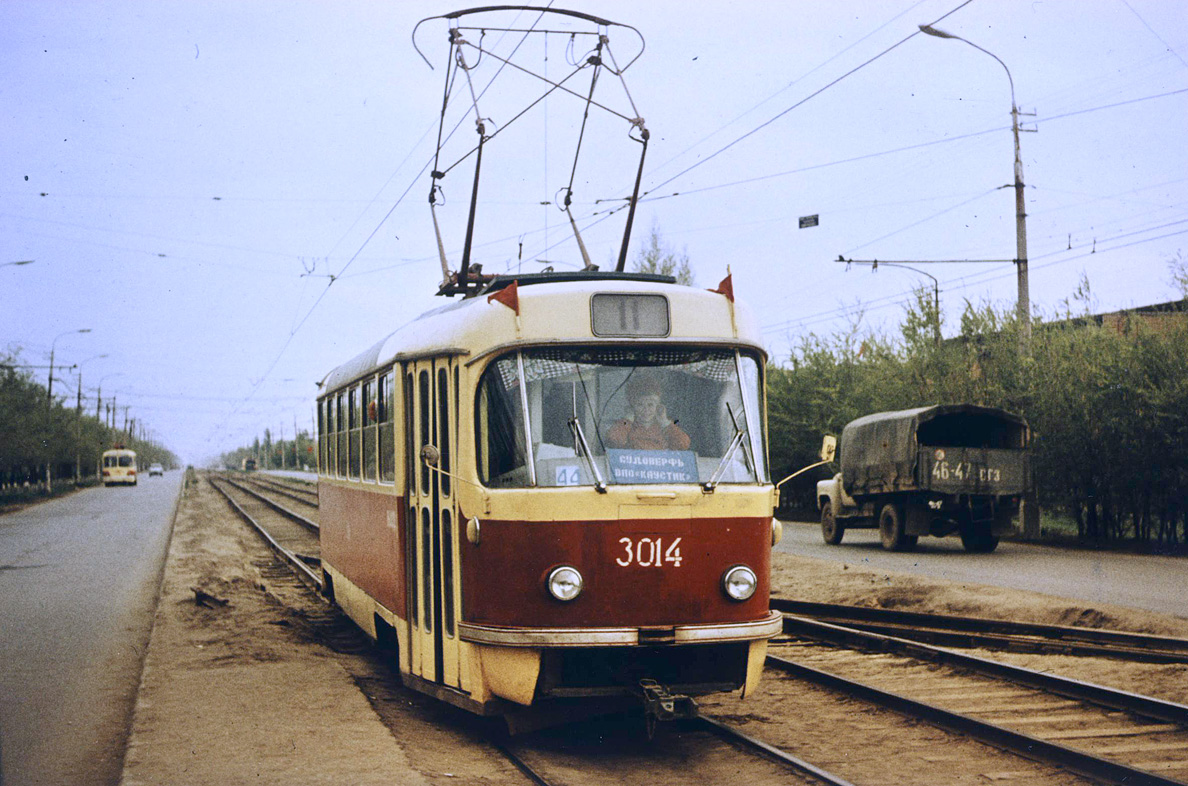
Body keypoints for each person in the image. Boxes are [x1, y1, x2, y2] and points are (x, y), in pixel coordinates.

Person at [606, 376, 691, 451]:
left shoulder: (664, 427)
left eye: (650, 405)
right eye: (640, 405)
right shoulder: (627, 426)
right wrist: (627, 420)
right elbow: (614, 439)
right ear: (632, 406)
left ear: (658, 406)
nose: (646, 410)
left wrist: (665, 422)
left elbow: (683, 444)